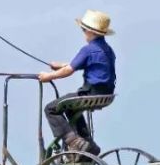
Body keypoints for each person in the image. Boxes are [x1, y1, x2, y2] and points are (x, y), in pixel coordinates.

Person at [38, 9, 116, 153]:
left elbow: (69, 70)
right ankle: (89, 144)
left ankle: (74, 141)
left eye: (83, 30)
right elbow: (81, 64)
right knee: (71, 108)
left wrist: (47, 76)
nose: (83, 33)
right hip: (106, 94)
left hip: (89, 93)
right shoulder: (107, 50)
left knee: (51, 109)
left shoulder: (88, 49)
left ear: (90, 32)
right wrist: (60, 65)